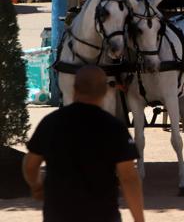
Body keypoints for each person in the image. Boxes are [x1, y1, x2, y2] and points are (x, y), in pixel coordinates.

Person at [22, 65, 144, 222]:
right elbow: (128, 177)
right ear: (105, 91)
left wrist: (37, 186)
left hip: (58, 215)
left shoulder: (51, 122)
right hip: (102, 215)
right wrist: (139, 219)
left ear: (74, 88)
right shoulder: (114, 127)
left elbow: (30, 165)